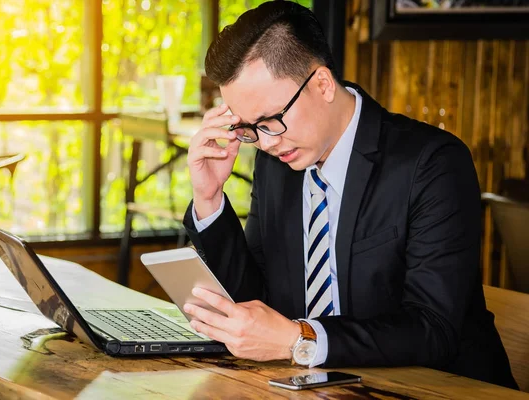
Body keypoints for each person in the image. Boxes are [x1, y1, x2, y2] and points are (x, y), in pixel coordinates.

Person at [181, 0, 517, 390]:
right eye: (248, 128)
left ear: (322, 83)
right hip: (324, 387)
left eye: (271, 121)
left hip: (442, 389)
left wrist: (299, 339)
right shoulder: (276, 165)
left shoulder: (432, 163)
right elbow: (257, 305)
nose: (266, 143)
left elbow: (434, 328)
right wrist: (209, 197)